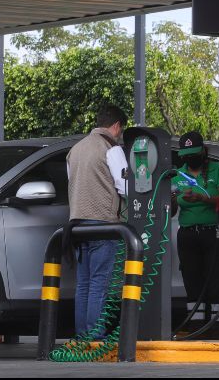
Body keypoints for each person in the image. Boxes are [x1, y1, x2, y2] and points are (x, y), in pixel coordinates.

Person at [66, 104, 129, 337]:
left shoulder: (75, 150)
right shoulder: (111, 149)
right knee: (99, 283)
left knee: (83, 284)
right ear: (116, 126)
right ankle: (95, 336)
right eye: (120, 131)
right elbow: (125, 187)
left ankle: (82, 336)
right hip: (103, 222)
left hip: (77, 225)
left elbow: (73, 183)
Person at [171, 131, 219, 334]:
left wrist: (203, 199)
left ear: (203, 151)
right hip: (187, 235)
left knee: (214, 283)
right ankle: (196, 328)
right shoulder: (178, 175)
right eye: (187, 155)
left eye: (195, 153)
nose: (191, 159)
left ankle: (217, 329)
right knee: (192, 283)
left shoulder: (216, 169)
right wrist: (171, 198)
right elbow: (173, 209)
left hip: (212, 233)